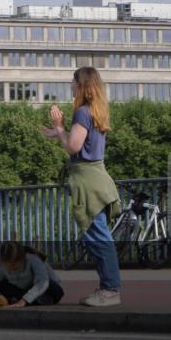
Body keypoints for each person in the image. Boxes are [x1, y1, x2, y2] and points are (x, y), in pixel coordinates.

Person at [41, 66, 122, 307]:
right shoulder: (95, 111)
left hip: (87, 180)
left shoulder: (82, 113)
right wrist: (58, 134)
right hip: (96, 177)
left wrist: (58, 127)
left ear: (82, 86)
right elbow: (84, 142)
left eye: (73, 82)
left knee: (97, 236)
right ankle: (108, 288)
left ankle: (110, 290)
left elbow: (74, 147)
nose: (71, 86)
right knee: (96, 236)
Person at [0, 241, 64, 307]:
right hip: (23, 290)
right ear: (3, 262)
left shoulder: (33, 259)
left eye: (15, 265)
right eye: (9, 266)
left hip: (48, 289)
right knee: (1, 284)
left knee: (48, 284)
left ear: (22, 258)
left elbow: (42, 281)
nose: (12, 268)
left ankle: (35, 299)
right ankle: (23, 299)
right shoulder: (4, 268)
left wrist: (24, 301)